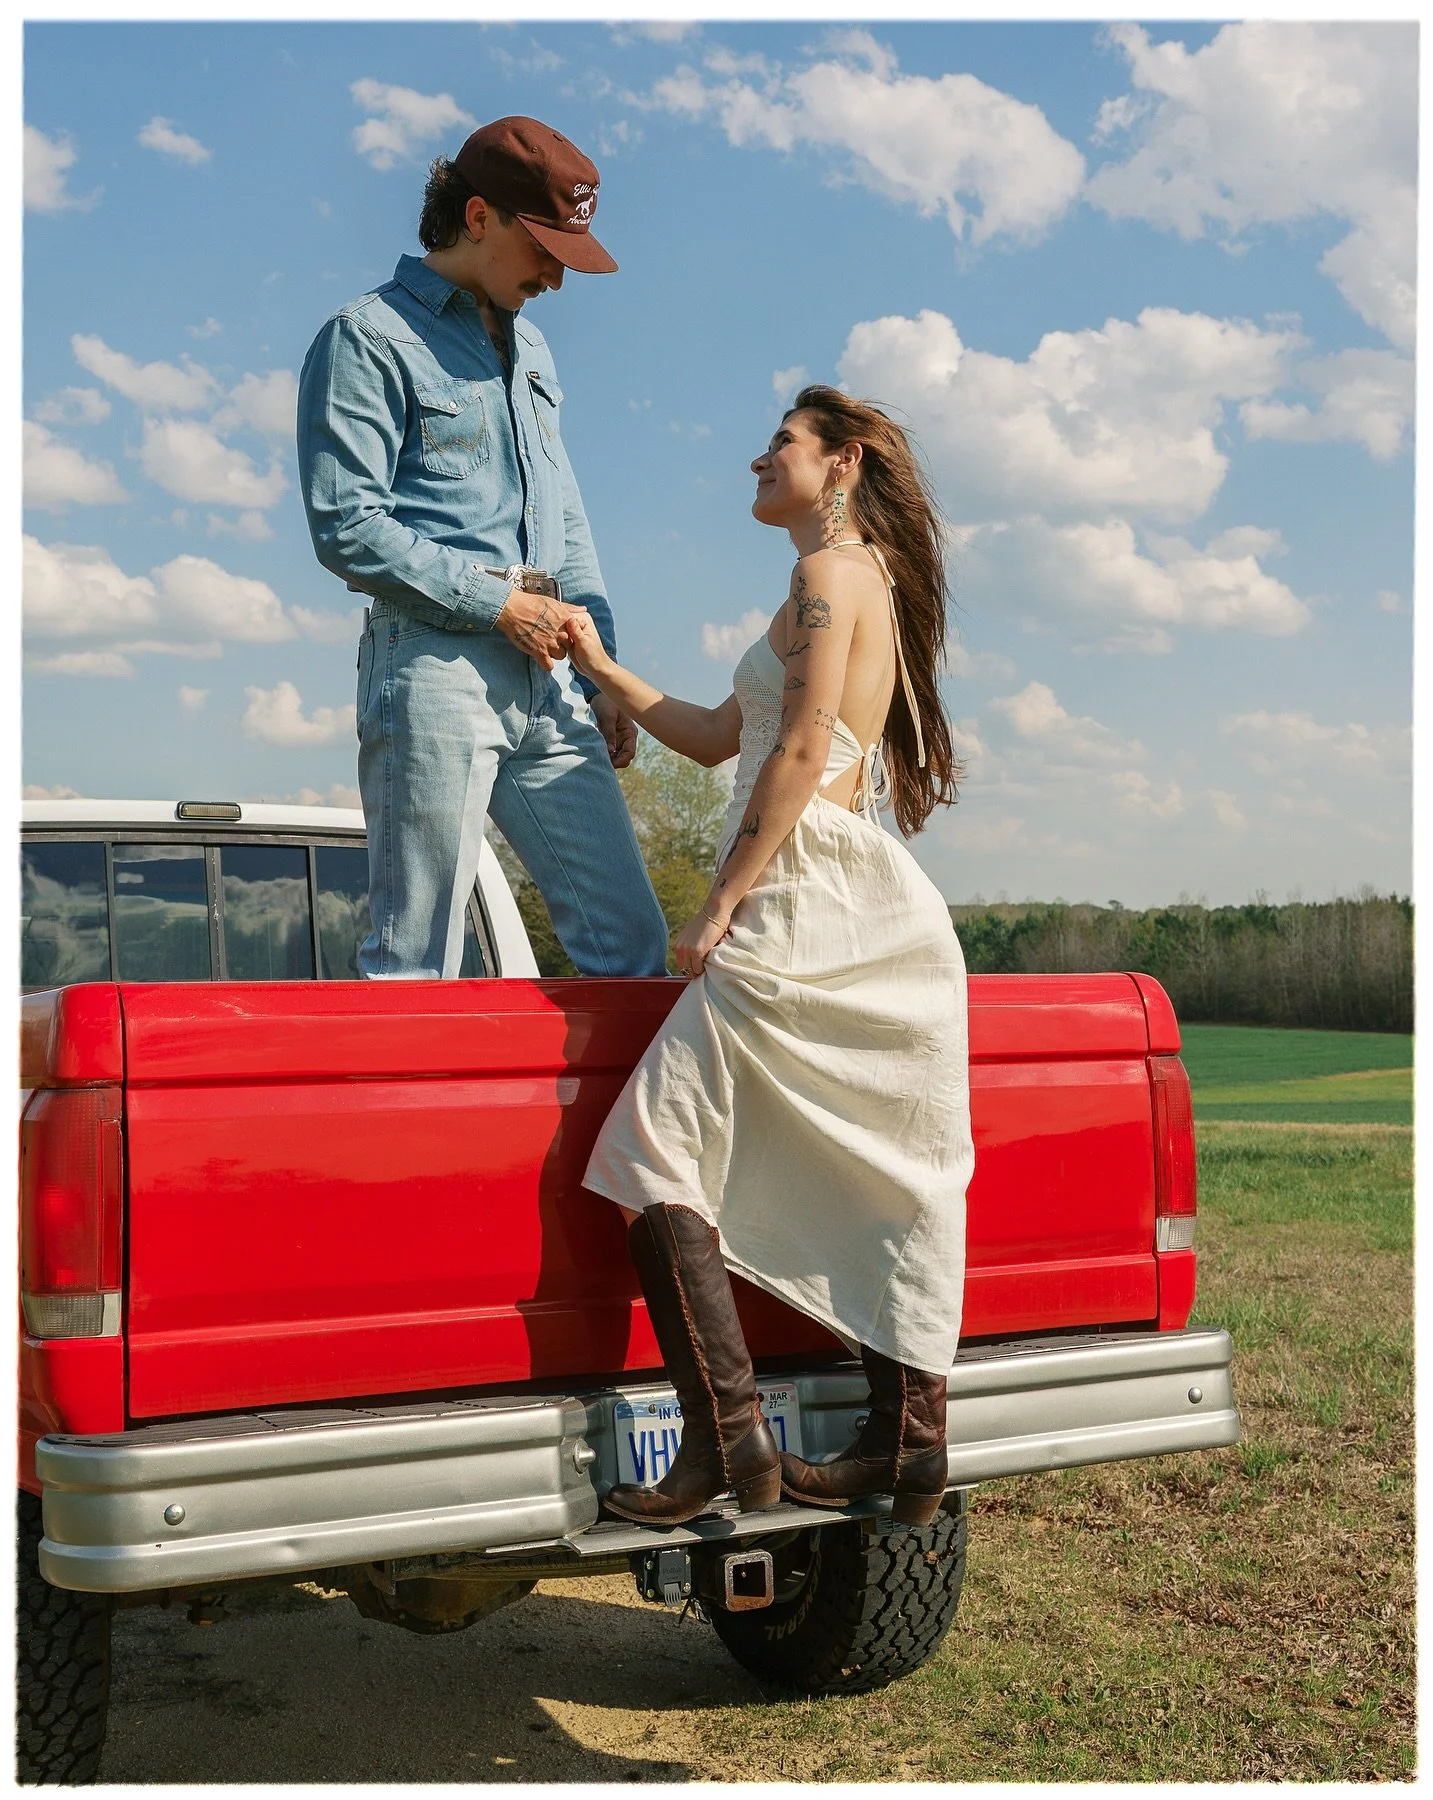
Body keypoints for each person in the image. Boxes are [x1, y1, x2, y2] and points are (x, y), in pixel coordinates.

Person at [563, 385, 974, 1527]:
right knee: (880, 1172)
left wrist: (718, 904)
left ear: (839, 464)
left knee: (648, 1151)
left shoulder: (828, 579)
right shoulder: (843, 581)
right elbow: (713, 739)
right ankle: (905, 1443)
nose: (760, 456)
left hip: (802, 899)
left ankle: (730, 1444)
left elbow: (798, 752)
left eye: (782, 443)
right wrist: (602, 662)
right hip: (843, 898)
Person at [297, 116, 668, 979]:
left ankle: (618, 1124)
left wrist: (602, 671)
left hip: (552, 668)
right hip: (433, 668)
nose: (555, 277)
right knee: (416, 957)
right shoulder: (367, 338)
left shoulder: (532, 347)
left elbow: (564, 516)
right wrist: (498, 602)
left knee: (633, 949)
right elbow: (345, 522)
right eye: (543, 249)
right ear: (476, 217)